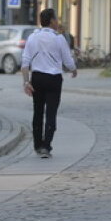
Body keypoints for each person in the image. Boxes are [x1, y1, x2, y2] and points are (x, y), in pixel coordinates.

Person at [20, 8, 77, 159]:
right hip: (53, 79)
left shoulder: (33, 37)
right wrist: (73, 69)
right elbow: (67, 60)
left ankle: (37, 144)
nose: (58, 22)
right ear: (51, 21)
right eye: (56, 19)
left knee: (37, 111)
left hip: (37, 78)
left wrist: (26, 82)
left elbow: (25, 62)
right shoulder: (59, 39)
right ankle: (46, 146)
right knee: (51, 112)